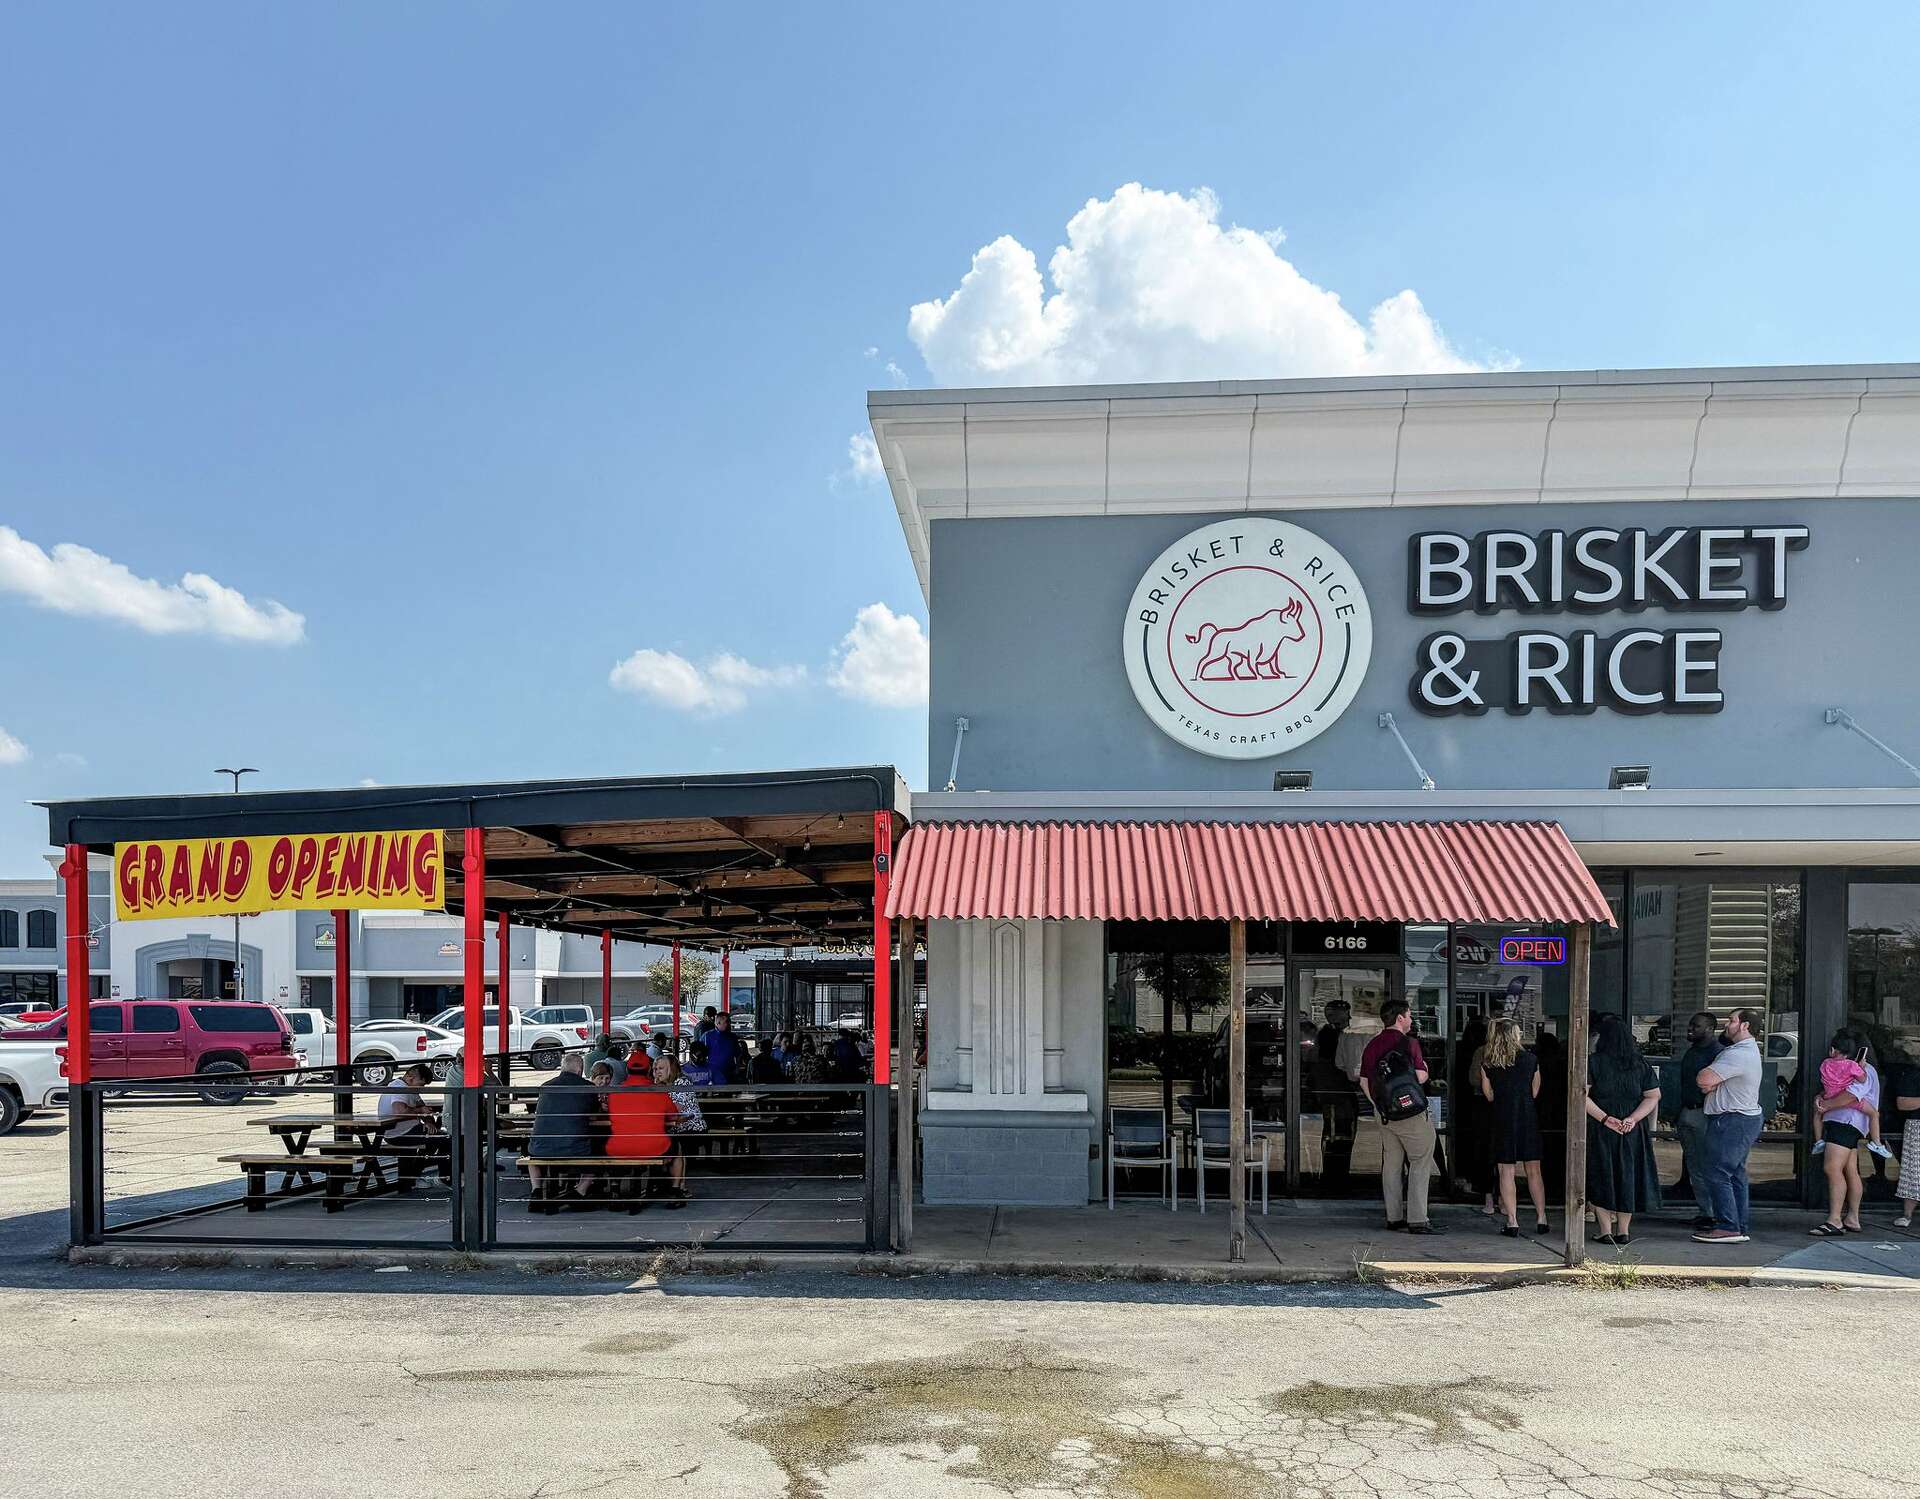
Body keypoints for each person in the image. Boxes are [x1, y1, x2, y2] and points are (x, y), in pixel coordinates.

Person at [1359, 999, 1441, 1235]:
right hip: (1410, 1112)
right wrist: (1424, 1066)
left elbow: (1364, 1081)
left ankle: (1394, 1217)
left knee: (1392, 1163)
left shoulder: (1372, 1045)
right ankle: (1417, 1219)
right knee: (1421, 1159)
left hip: (1384, 1113)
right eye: (1409, 1015)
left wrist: (1380, 1105)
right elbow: (1420, 1077)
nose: (1411, 1019)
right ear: (1400, 1018)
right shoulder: (1408, 1043)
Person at [1583, 1014, 1662, 1247]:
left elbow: (1582, 1096)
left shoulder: (1593, 1063)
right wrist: (1632, 1119)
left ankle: (1605, 1230)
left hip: (1602, 1128)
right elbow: (1653, 1096)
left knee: (1602, 1175)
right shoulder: (1641, 1064)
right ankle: (1624, 1230)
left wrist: (1606, 1118)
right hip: (1631, 1130)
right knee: (1628, 1175)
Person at [1694, 1007, 1765, 1244]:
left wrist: (1713, 1083)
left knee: (1717, 1171)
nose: (1727, 1024)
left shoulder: (1738, 1054)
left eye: (1732, 1020)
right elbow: (1709, 1083)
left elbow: (1703, 1079)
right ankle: (1737, 1224)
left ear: (1745, 1025)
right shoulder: (1744, 1052)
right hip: (1741, 1118)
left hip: (1732, 1119)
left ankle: (1728, 1225)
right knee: (1734, 1173)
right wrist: (1714, 1084)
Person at [1809, 1029, 1881, 1237]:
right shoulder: (1857, 1069)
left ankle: (1834, 1219)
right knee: (1850, 1170)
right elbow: (1838, 1089)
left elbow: (1851, 1095)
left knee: (1832, 1168)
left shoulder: (1862, 1071)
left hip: (1845, 1121)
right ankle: (1852, 1217)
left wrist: (1825, 1106)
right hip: (1848, 1122)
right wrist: (1822, 1097)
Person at [1480, 1018, 1548, 1237]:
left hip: (1502, 1119)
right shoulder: (1531, 1060)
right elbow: (1536, 1092)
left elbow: (1489, 1095)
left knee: (1505, 1172)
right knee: (1534, 1171)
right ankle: (1541, 1217)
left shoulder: (1488, 1063)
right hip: (1527, 1117)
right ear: (1515, 1036)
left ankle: (1512, 1221)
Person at [607, 1058, 687, 1202]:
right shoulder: (659, 1092)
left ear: (627, 1070)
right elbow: (674, 1115)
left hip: (619, 1148)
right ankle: (676, 1189)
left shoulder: (614, 1092)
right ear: (649, 1070)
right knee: (677, 1147)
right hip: (653, 1147)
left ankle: (615, 1188)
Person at [1672, 1012, 1723, 1230]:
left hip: (1706, 1113)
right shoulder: (1693, 1052)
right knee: (1694, 1165)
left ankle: (1717, 1213)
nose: (1690, 1029)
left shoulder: (1719, 1054)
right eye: (1690, 1024)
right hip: (1687, 1111)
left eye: (1696, 1026)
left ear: (1710, 1028)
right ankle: (1705, 1212)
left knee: (1708, 1164)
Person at [527, 1053, 599, 1198]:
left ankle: (536, 1189)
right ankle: (580, 1190)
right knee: (601, 1151)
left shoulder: (546, 1086)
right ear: (580, 1070)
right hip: (574, 1148)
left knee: (530, 1152)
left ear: (562, 1068)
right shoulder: (588, 1087)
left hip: (540, 1149)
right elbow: (595, 1115)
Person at [1811, 1047, 1894, 1160]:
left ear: (1832, 1051)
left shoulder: (1826, 1063)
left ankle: (1818, 1141)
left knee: (1817, 1113)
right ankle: (1876, 1143)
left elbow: (1825, 1080)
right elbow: (1861, 1081)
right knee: (1874, 1113)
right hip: (1847, 1105)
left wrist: (1823, 1100)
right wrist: (1861, 1068)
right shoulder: (1851, 1065)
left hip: (1829, 1096)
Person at [1311, 1000, 1360, 1189]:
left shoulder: (1349, 1032)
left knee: (1346, 1133)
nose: (1332, 1016)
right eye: (1330, 1013)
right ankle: (1333, 1178)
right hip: (1333, 1090)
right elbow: (1338, 1061)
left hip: (1346, 1091)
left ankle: (1341, 1175)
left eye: (1336, 1012)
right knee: (1334, 1135)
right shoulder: (1328, 1034)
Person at [1451, 1016, 1495, 1215]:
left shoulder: (1462, 1048)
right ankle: (1495, 1194)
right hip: (1486, 1102)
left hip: (1465, 1099)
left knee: (1469, 1139)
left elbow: (1469, 1078)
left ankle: (1467, 1179)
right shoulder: (1486, 1051)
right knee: (1490, 1147)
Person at [706, 1010, 742, 1081]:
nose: (729, 1024)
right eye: (727, 1022)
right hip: (713, 1072)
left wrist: (737, 1067)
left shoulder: (732, 1037)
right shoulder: (708, 1036)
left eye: (729, 1022)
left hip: (730, 1071)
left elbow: (738, 1054)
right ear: (718, 1023)